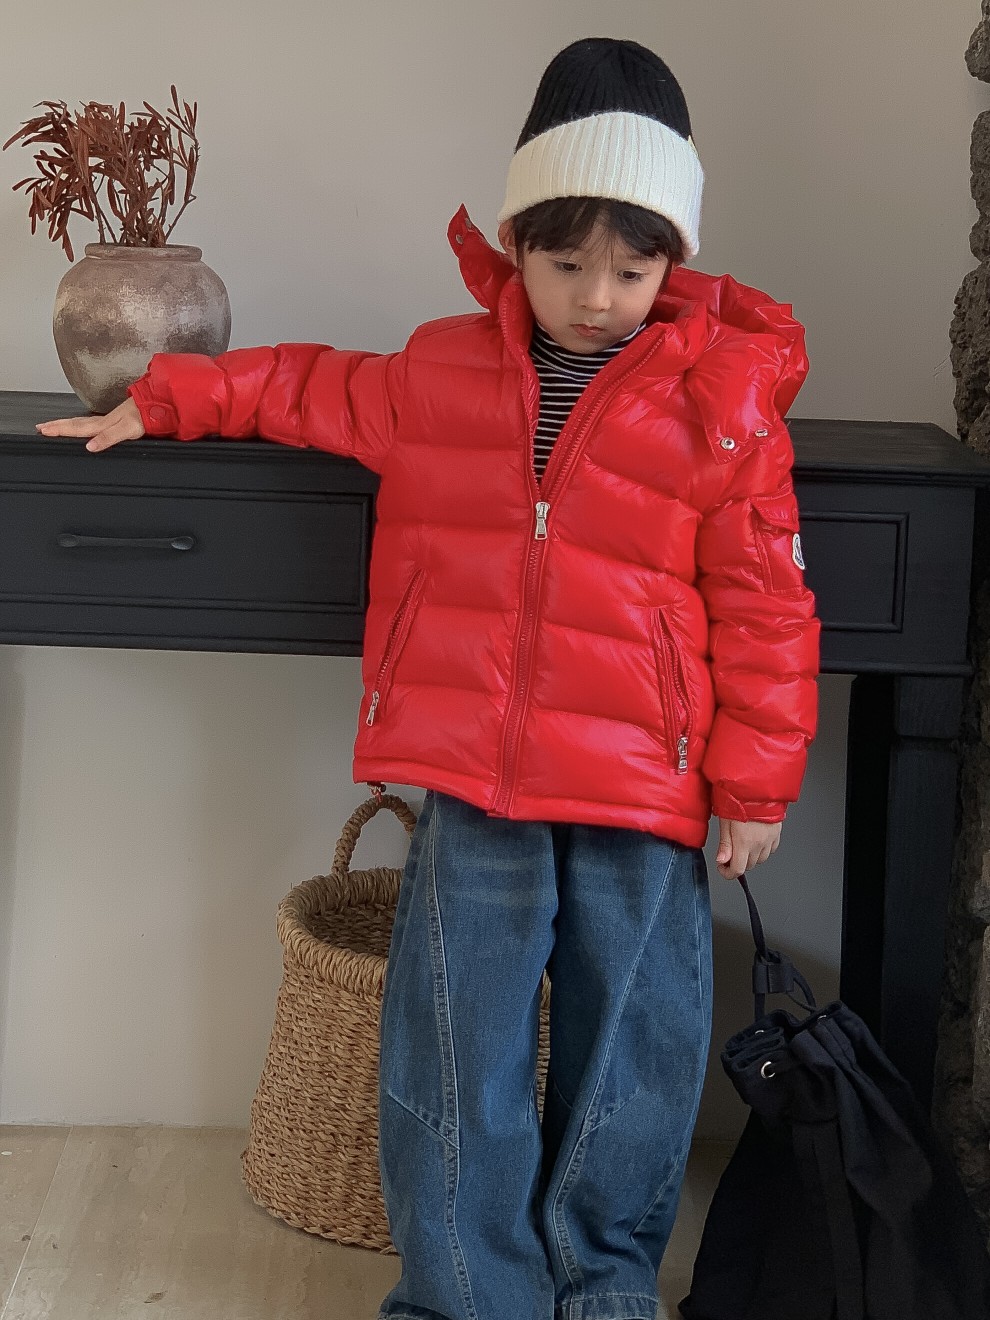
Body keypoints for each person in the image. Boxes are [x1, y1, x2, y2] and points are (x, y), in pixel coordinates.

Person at [37, 36, 820, 1320]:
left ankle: (603, 1289)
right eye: (565, 263)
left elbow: (768, 603)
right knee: (455, 1055)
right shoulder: (441, 372)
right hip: (475, 777)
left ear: (674, 260)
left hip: (642, 784)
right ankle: (466, 1295)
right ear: (516, 243)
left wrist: (755, 782)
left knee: (635, 1056)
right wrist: (169, 397)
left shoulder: (720, 403)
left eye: (632, 270)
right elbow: (302, 384)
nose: (597, 296)